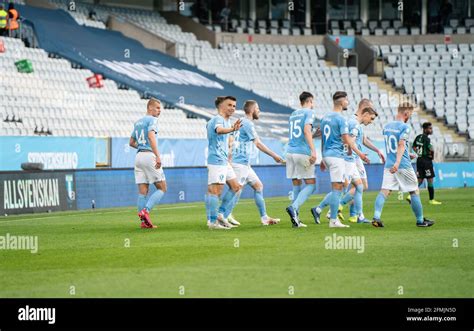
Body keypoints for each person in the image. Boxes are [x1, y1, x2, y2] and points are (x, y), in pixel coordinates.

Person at [219, 100, 284, 226]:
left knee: (258, 186)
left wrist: (230, 155)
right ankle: (221, 215)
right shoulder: (248, 124)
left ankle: (264, 218)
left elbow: (231, 139)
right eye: (258, 108)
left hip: (244, 164)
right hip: (240, 163)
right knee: (236, 189)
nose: (259, 111)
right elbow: (258, 143)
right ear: (252, 110)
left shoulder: (240, 121)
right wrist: (275, 156)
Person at [310, 91, 370, 228]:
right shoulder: (341, 119)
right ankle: (333, 220)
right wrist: (358, 153)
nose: (348, 103)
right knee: (338, 188)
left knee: (342, 186)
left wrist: (323, 158)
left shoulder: (325, 118)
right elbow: (346, 139)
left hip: (327, 154)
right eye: (347, 100)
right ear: (342, 102)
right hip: (337, 156)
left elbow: (322, 138)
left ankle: (321, 210)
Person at [372, 103, 435, 228]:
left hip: (389, 165)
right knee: (414, 191)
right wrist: (398, 161)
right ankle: (420, 220)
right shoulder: (405, 127)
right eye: (410, 114)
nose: (409, 117)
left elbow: (395, 147)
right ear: (406, 114)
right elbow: (400, 144)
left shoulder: (387, 127)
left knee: (384, 191)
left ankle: (376, 217)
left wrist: (406, 154)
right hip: (402, 165)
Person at [338, 99, 385, 223]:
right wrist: (357, 154)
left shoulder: (359, 123)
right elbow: (349, 141)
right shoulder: (353, 122)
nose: (372, 112)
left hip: (356, 156)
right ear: (364, 109)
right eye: (371, 109)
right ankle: (338, 207)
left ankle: (354, 215)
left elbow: (363, 140)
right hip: (352, 157)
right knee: (356, 186)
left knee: (361, 186)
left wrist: (377, 150)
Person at [205, 96, 242, 230]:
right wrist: (233, 129)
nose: (232, 108)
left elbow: (224, 137)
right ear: (221, 106)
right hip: (217, 160)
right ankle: (213, 222)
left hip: (223, 161)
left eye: (234, 106)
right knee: (216, 191)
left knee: (236, 187)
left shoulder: (225, 121)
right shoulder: (218, 119)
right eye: (230, 105)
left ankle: (220, 214)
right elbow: (218, 130)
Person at [129, 98, 166, 229]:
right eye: (157, 108)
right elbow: (151, 136)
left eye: (160, 108)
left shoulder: (138, 122)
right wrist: (157, 156)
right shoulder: (152, 120)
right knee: (162, 188)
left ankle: (143, 223)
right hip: (149, 155)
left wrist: (142, 146)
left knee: (143, 191)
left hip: (138, 156)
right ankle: (146, 211)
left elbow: (131, 142)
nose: (159, 111)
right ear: (149, 108)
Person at [285, 92, 317, 228]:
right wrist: (313, 150)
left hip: (290, 152)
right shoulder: (309, 112)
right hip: (302, 152)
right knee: (311, 184)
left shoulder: (293, 115)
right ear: (310, 101)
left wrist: (314, 135)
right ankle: (294, 206)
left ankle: (296, 219)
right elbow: (305, 131)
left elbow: (301, 134)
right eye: (313, 102)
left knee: (296, 184)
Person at [409, 122, 442, 205]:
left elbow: (413, 146)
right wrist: (432, 157)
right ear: (425, 129)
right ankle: (431, 200)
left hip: (419, 160)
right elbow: (432, 150)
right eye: (430, 128)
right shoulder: (427, 139)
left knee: (420, 180)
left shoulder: (418, 137)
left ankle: (410, 196)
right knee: (430, 180)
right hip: (426, 161)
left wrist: (418, 153)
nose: (431, 130)